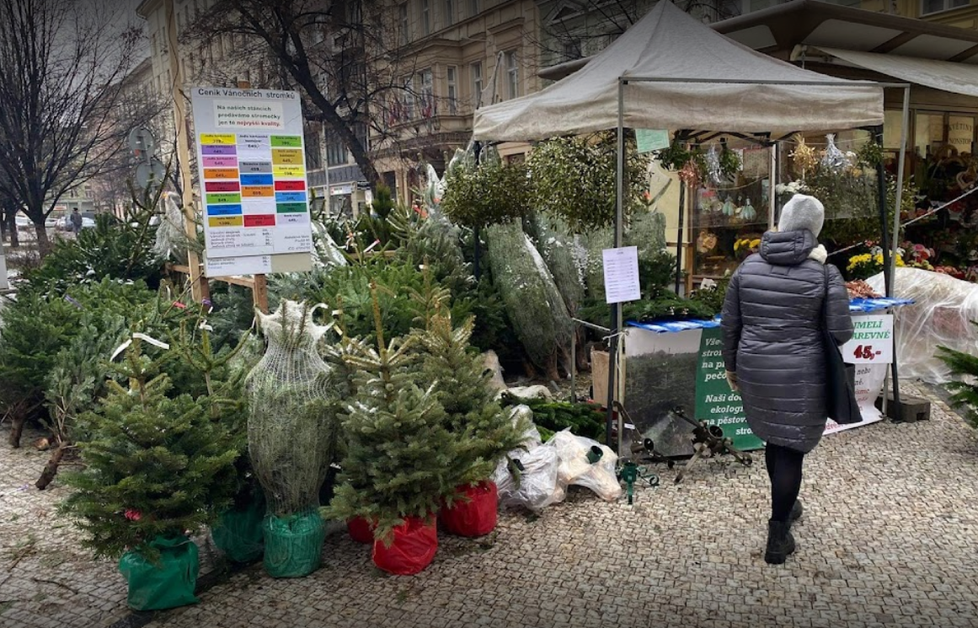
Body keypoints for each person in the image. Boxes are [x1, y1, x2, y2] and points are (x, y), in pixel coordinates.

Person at [720, 194, 853, 565]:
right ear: (816, 228)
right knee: (791, 447)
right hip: (802, 373)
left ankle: (787, 504)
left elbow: (729, 326)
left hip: (755, 369)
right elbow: (840, 331)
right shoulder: (825, 273)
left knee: (774, 437)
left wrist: (731, 368)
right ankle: (778, 534)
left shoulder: (747, 267)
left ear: (780, 221)